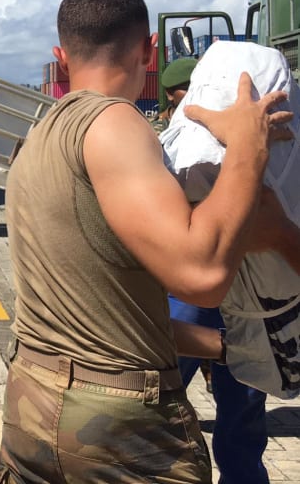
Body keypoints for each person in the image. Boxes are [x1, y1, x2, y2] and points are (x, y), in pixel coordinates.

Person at [0, 0, 297, 483]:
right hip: (113, 434)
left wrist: (229, 348)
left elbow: (111, 315)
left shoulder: (37, 139)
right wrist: (248, 148)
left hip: (32, 404)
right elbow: (200, 274)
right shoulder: (114, 122)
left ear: (60, 55)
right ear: (149, 51)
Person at [158, 56, 271, 484]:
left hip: (246, 291)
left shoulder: (261, 132)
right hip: (194, 292)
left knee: (243, 412)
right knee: (161, 392)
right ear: (176, 99)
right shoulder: (173, 143)